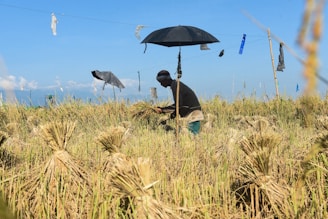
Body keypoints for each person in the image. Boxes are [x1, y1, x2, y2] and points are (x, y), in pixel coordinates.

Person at [154, 70, 204, 134]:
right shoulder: (175, 84)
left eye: (161, 82)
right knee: (187, 136)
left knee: (192, 136)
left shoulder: (176, 86)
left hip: (193, 114)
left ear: (165, 80)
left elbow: (178, 105)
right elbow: (178, 106)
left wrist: (162, 110)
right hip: (190, 113)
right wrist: (170, 115)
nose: (161, 84)